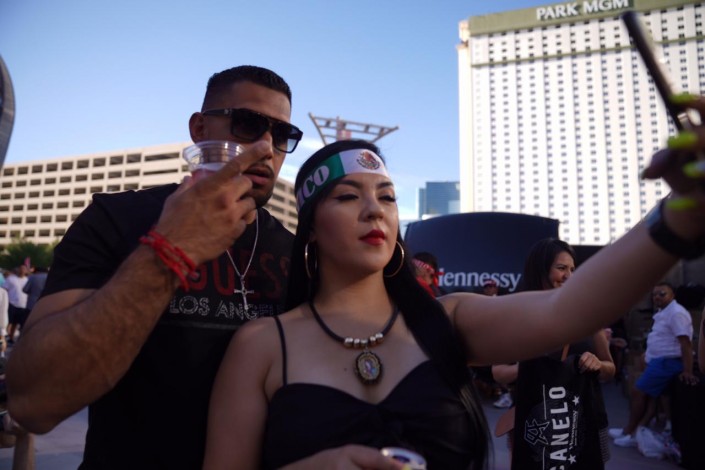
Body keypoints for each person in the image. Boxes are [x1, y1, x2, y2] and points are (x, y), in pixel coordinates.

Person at [203, 98, 705, 469]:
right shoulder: (262, 345)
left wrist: (678, 216)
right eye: (347, 197)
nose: (375, 210)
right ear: (311, 227)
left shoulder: (448, 319)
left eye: (387, 196)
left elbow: (569, 310)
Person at [5, 65, 301, 469]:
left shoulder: (293, 251)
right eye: (248, 124)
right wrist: (170, 250)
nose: (267, 148)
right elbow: (34, 402)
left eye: (283, 135)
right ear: (200, 128)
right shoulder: (115, 218)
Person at [608, 281, 698, 447]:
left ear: (673, 295)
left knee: (638, 392)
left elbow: (685, 343)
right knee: (651, 399)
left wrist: (688, 370)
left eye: (662, 294)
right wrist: (648, 354)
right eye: (654, 294)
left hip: (667, 362)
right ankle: (637, 432)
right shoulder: (663, 312)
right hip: (658, 361)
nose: (657, 297)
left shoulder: (676, 313)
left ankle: (629, 431)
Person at [2, 266, 29, 344]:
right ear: (18, 270)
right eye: (21, 269)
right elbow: (5, 289)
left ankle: (12, 337)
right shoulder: (11, 279)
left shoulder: (27, 280)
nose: (22, 271)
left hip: (23, 304)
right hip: (12, 303)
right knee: (8, 321)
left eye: (24, 269)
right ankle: (4, 336)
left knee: (17, 323)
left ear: (26, 271)